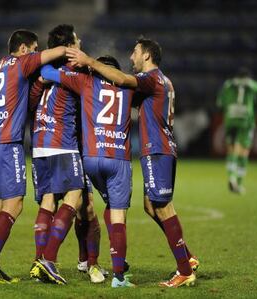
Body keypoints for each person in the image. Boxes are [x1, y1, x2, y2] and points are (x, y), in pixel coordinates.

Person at [67, 37, 199, 288]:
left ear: (147, 56)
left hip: (157, 149)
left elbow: (125, 81)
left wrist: (90, 62)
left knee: (163, 208)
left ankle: (185, 269)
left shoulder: (151, 78)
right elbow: (123, 94)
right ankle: (187, 257)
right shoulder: (163, 82)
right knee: (151, 206)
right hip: (161, 149)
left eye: (135, 52)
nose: (131, 57)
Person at [0, 29, 67, 284]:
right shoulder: (21, 62)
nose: (37, 53)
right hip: (7, 144)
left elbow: (17, 99)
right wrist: (71, 51)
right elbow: (55, 52)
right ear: (25, 49)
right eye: (35, 48)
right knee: (14, 204)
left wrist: (37, 84)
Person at [39, 55, 136, 288]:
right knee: (111, 212)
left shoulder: (86, 82)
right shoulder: (129, 87)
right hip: (117, 157)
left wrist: (72, 61)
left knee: (89, 208)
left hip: (90, 156)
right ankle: (115, 272)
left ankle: (88, 261)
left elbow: (47, 72)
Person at [28, 24, 107, 284]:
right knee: (75, 198)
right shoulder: (77, 69)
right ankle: (48, 259)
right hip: (63, 142)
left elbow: (32, 100)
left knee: (48, 201)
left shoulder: (42, 73)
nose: (81, 41)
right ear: (69, 47)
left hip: (40, 143)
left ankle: (39, 262)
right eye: (76, 40)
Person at [217, 67, 257, 194]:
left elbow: (220, 103)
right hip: (246, 120)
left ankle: (231, 176)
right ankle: (238, 182)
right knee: (243, 151)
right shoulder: (255, 86)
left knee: (231, 149)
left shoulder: (228, 84)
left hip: (231, 119)